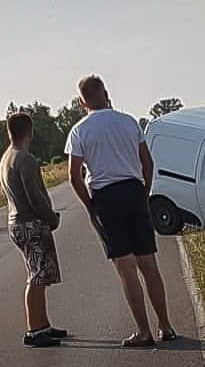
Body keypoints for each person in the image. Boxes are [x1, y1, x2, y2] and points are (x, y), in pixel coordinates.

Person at [65, 75, 176, 347]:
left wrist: (90, 206)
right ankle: (166, 325)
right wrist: (144, 190)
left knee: (126, 269)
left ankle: (143, 332)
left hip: (106, 198)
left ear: (81, 101)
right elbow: (147, 161)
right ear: (105, 93)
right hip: (134, 191)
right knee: (148, 264)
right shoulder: (128, 122)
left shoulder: (79, 131)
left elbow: (74, 176)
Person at [0, 112, 66, 348]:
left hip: (15, 222)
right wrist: (50, 218)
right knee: (37, 276)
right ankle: (35, 329)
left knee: (38, 273)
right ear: (30, 131)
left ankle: (43, 323)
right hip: (30, 223)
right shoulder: (25, 159)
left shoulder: (6, 158)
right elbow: (34, 195)